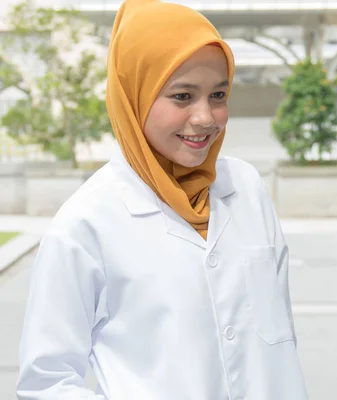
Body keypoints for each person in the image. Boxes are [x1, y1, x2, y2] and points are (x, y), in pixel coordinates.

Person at [15, 0, 308, 398]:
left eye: (218, 94)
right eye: (182, 96)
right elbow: (46, 382)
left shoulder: (247, 188)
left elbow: (279, 338)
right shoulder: (86, 225)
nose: (205, 117)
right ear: (134, 97)